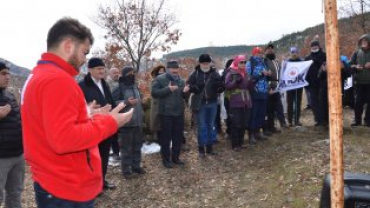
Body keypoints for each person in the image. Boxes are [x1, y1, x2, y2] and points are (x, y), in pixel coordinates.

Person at [21, 17, 133, 208]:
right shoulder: (58, 80)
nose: (84, 60)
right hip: (66, 186)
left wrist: (89, 115)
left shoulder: (37, 75)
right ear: (68, 45)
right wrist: (111, 122)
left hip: (50, 179)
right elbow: (64, 139)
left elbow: (49, 125)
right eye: (84, 52)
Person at [79, 57, 117, 190]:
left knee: (105, 154)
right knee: (93, 158)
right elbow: (80, 107)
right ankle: (93, 186)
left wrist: (114, 109)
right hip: (92, 126)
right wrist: (93, 109)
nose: (102, 71)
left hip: (106, 124)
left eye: (103, 68)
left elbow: (110, 99)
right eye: (98, 69)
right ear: (90, 70)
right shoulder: (82, 86)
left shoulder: (104, 83)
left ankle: (102, 181)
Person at [151, 60, 189, 168]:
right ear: (168, 69)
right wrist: (168, 89)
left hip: (179, 113)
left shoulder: (181, 81)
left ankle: (176, 158)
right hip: (165, 113)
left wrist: (186, 92)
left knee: (178, 137)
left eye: (176, 68)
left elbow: (183, 97)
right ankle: (166, 160)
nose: (175, 70)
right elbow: (154, 93)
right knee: (166, 138)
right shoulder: (160, 79)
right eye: (173, 68)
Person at [187, 54, 225, 157]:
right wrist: (194, 88)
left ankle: (209, 148)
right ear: (200, 63)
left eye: (207, 63)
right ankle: (201, 150)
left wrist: (220, 88)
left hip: (212, 102)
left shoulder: (214, 73)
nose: (205, 65)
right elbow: (188, 85)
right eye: (203, 63)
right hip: (201, 104)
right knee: (202, 126)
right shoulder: (195, 74)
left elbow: (221, 84)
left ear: (210, 63)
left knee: (211, 125)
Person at [112, 66, 146, 179]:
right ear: (125, 75)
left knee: (137, 146)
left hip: (138, 122)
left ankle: (136, 166)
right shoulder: (119, 88)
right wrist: (126, 102)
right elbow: (112, 103)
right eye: (130, 73)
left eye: (133, 73)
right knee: (126, 149)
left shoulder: (135, 86)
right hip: (126, 123)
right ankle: (126, 170)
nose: (132, 75)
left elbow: (139, 101)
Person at [0, 62, 24, 208]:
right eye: (3, 73)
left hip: (18, 154)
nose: (7, 77)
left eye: (8, 73)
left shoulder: (9, 95)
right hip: (1, 157)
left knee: (15, 193)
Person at [225, 55, 254, 150]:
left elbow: (249, 88)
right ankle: (235, 145)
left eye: (245, 62)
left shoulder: (246, 73)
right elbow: (227, 86)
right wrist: (236, 82)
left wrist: (252, 83)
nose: (243, 64)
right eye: (241, 62)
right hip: (235, 102)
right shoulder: (231, 73)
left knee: (244, 123)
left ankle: (240, 143)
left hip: (247, 101)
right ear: (237, 63)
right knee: (236, 123)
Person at [247, 47, 271, 141]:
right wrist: (261, 74)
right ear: (254, 54)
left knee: (262, 113)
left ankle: (258, 132)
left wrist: (268, 74)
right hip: (254, 92)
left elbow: (266, 77)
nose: (261, 54)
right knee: (254, 114)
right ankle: (251, 134)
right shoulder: (250, 63)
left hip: (264, 92)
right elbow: (249, 78)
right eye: (259, 53)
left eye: (262, 53)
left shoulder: (264, 62)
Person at [263, 44, 287, 135]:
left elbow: (281, 73)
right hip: (268, 87)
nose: (270, 51)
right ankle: (269, 127)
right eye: (268, 49)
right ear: (265, 51)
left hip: (277, 87)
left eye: (272, 49)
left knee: (278, 106)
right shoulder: (264, 62)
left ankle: (279, 124)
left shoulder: (276, 62)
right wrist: (268, 88)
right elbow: (264, 77)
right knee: (269, 109)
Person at [349, 34, 370, 126]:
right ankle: (357, 121)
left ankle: (368, 121)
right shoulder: (356, 53)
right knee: (358, 102)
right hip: (359, 82)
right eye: (362, 41)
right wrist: (356, 67)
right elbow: (350, 65)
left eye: (365, 41)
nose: (363, 42)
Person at [305, 40, 326, 126]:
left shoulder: (324, 55)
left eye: (315, 46)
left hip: (322, 82)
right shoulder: (307, 57)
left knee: (322, 101)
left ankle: (324, 119)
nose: (314, 47)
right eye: (312, 46)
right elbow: (305, 70)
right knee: (314, 102)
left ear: (318, 46)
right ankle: (317, 119)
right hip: (311, 83)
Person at [105, 67, 121, 161]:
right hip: (109, 111)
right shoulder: (106, 83)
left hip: (119, 110)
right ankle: (115, 152)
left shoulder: (121, 82)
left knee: (118, 133)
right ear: (110, 74)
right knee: (112, 133)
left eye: (118, 72)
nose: (116, 74)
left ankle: (117, 151)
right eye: (114, 72)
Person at [286, 47, 304, 127]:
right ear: (290, 53)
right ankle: (290, 121)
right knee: (289, 103)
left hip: (298, 86)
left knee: (298, 103)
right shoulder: (287, 62)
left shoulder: (301, 61)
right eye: (292, 52)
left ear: (297, 53)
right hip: (289, 86)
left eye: (295, 52)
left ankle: (297, 120)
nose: (294, 54)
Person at [149, 64, 166, 142]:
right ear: (157, 72)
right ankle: (160, 142)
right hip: (157, 106)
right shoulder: (154, 81)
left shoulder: (167, 80)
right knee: (158, 125)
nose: (162, 72)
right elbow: (154, 93)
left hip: (166, 107)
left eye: (163, 71)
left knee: (164, 126)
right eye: (160, 71)